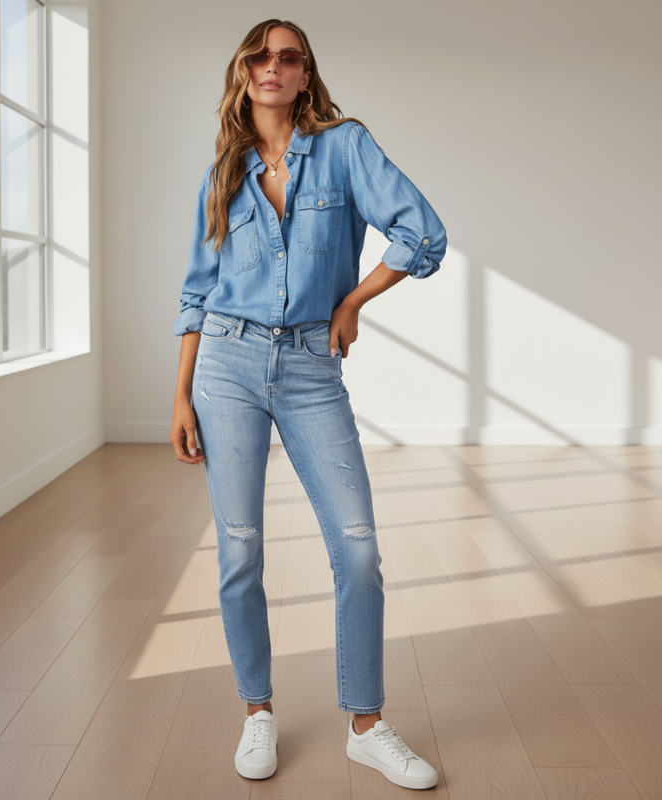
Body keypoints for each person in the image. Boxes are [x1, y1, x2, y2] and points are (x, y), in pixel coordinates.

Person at [170, 18, 446, 791]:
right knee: (239, 549)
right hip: (223, 363)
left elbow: (422, 235)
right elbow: (196, 292)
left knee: (357, 547)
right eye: (260, 55)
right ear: (243, 71)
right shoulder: (223, 171)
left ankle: (367, 723)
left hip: (309, 365)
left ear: (305, 74)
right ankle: (257, 712)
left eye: (288, 57)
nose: (272, 67)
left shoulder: (347, 146)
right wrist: (181, 394)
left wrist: (354, 300)